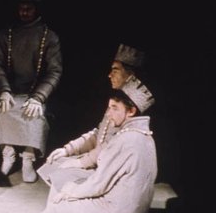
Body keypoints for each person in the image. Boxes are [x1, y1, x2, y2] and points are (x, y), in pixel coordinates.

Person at [0, 77, 157, 213]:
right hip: (130, 209)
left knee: (59, 207)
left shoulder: (127, 140)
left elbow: (99, 185)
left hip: (118, 211)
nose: (110, 114)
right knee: (67, 193)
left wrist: (70, 192)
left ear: (131, 111)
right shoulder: (144, 136)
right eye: (109, 107)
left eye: (114, 108)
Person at [37, 44, 145, 194]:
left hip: (107, 175)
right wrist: (68, 150)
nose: (109, 75)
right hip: (96, 161)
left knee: (62, 174)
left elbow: (109, 146)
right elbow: (98, 134)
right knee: (56, 162)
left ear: (130, 75)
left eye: (115, 70)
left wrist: (80, 162)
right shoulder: (116, 102)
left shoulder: (130, 110)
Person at [0, 0, 63, 183]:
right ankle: (8, 155)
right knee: (4, 110)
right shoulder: (6, 34)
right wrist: (3, 90)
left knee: (34, 114)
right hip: (11, 92)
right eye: (22, 7)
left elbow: (54, 71)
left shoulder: (49, 37)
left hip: (35, 93)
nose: (25, 12)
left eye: (29, 8)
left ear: (37, 9)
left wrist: (38, 97)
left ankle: (28, 158)